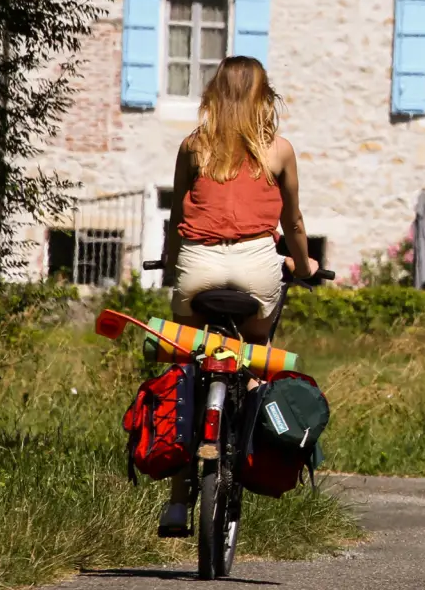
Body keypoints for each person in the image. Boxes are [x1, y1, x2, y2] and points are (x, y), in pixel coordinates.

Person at [156, 55, 318, 536]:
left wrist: (170, 264)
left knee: (187, 363)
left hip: (196, 268)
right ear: (262, 98)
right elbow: (292, 222)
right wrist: (303, 263)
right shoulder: (279, 151)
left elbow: (176, 216)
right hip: (255, 267)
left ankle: (178, 503)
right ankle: (248, 438)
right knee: (256, 354)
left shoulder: (192, 147)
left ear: (214, 94)